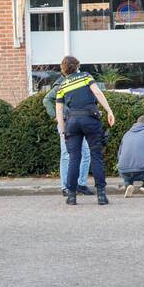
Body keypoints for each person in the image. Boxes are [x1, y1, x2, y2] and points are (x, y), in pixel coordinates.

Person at [55, 56, 116, 206]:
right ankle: (101, 195)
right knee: (96, 156)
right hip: (90, 119)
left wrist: (63, 132)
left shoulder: (62, 85)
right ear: (77, 66)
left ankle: (71, 196)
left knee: (74, 158)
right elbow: (98, 93)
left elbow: (59, 109)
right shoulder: (86, 76)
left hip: (72, 122)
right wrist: (109, 111)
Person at [43, 75, 93, 196]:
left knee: (86, 153)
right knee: (66, 154)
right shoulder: (61, 84)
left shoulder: (77, 82)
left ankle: (81, 184)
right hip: (65, 123)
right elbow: (46, 99)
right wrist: (55, 116)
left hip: (77, 122)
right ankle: (65, 187)